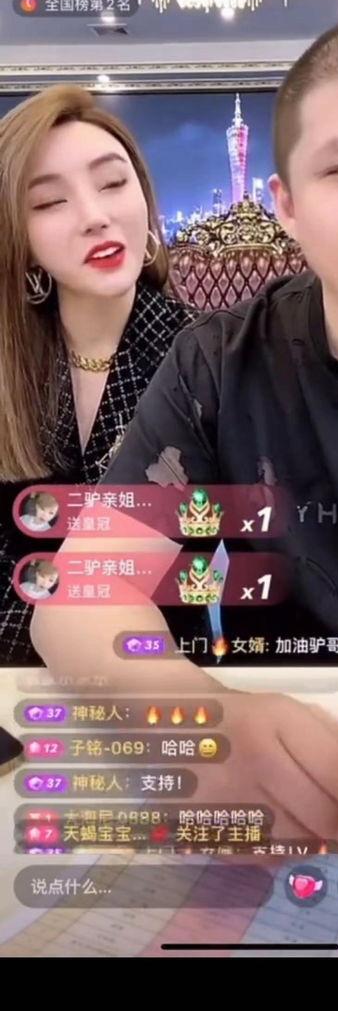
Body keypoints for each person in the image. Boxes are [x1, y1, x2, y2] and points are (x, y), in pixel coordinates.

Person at [32, 14, 338, 952]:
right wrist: (197, 716)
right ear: (284, 203)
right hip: (291, 799)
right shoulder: (217, 365)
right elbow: (76, 595)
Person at [0, 85, 195, 664]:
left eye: (112, 184)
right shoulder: (12, 363)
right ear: (17, 237)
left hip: (164, 674)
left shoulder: (209, 358)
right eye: (49, 202)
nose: (95, 217)